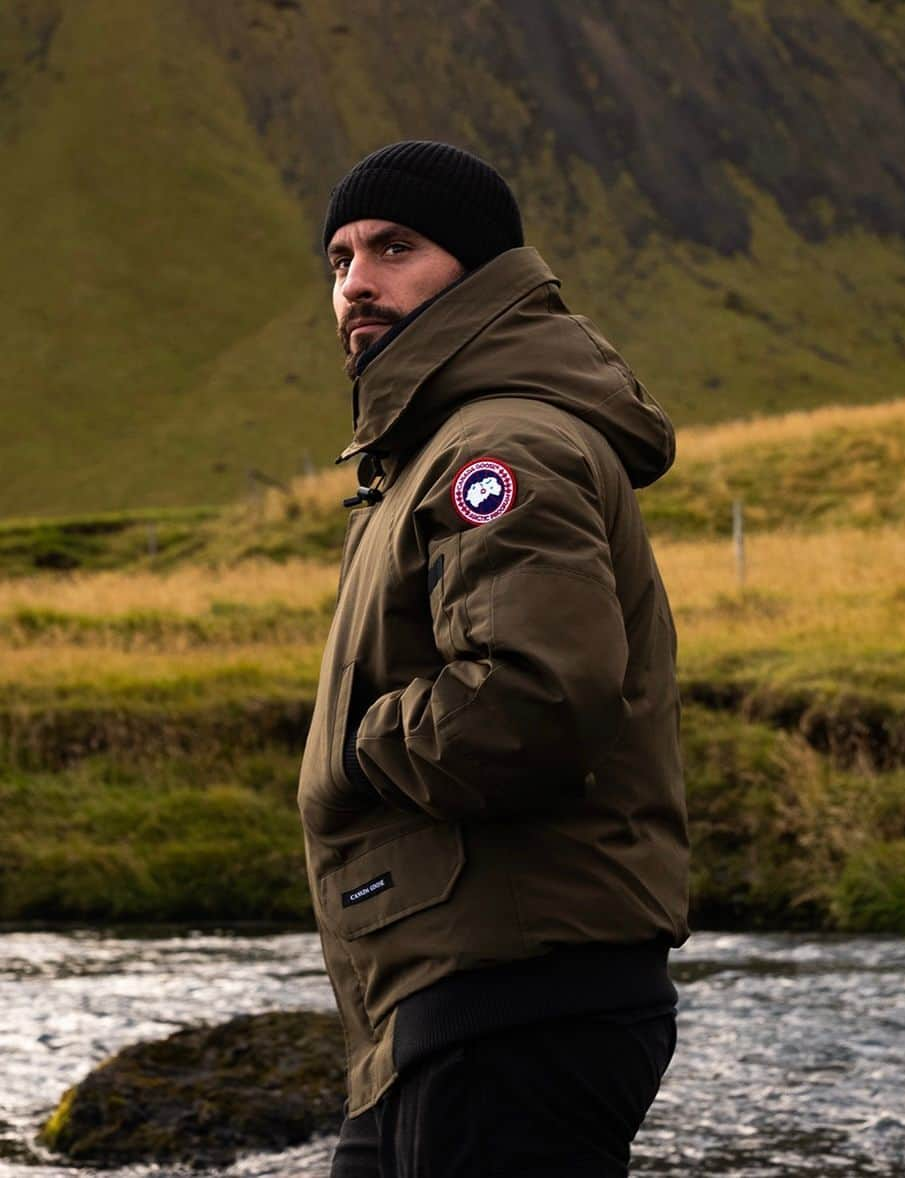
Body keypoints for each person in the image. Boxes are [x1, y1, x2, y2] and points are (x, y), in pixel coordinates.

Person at [297, 140, 689, 1178]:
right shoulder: (433, 449)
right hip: (447, 997)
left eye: (394, 247)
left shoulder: (497, 450)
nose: (357, 284)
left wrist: (356, 741)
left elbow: (530, 701)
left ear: (479, 272)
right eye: (338, 259)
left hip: (509, 997)